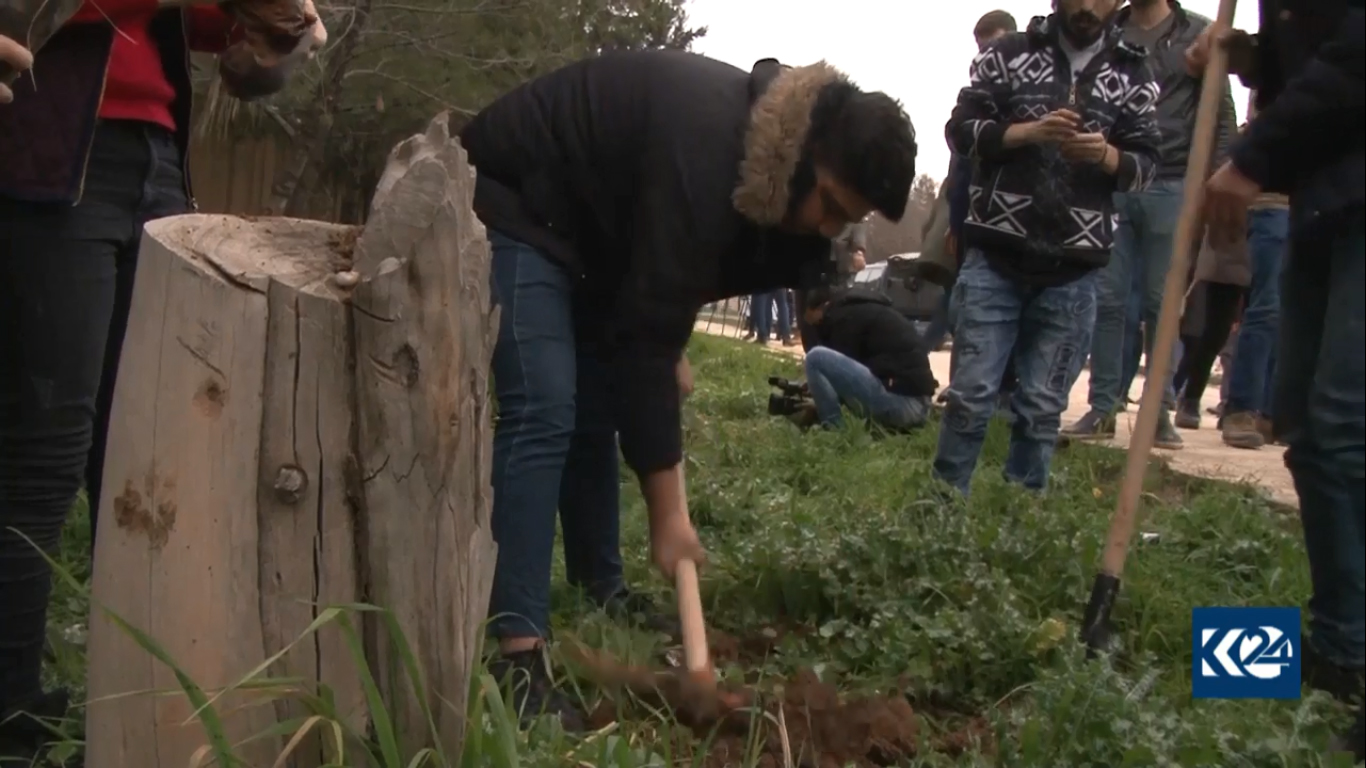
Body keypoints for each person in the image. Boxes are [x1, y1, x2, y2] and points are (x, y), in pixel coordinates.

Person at [458, 51, 917, 729]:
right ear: (806, 154)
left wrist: (663, 339)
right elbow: (649, 323)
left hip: (597, 239)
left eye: (844, 219)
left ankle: (600, 584)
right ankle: (517, 657)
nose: (827, 227)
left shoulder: (782, 194)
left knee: (597, 406)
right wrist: (669, 517)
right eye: (829, 204)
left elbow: (672, 288)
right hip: (520, 199)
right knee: (546, 406)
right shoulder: (708, 147)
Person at [0, 3, 323, 763]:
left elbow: (208, 35)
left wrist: (274, 31)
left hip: (157, 167)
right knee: (42, 456)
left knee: (143, 447)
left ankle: (140, 705)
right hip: (48, 152)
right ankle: (13, 722)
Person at [1191, 0, 1364, 758]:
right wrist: (1253, 59)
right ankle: (1337, 648)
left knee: (1339, 426)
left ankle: (1346, 652)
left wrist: (1254, 154)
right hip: (1324, 201)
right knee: (1306, 430)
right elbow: (1322, 51)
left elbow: (1356, 57)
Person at [933, 1, 1161, 496]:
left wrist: (1105, 155)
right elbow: (960, 130)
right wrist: (1025, 133)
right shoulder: (1007, 54)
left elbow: (1147, 165)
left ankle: (1020, 525)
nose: (1088, 6)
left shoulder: (1135, 73)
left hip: (1075, 269)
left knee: (1041, 408)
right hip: (995, 257)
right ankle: (941, 512)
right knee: (970, 396)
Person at [1062, 0, 1239, 450]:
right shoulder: (1109, 31)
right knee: (1107, 297)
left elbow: (1221, 114)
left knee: (1163, 303)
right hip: (1113, 176)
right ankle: (1103, 406)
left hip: (1173, 180)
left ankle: (1158, 413)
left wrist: (1217, 178)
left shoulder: (1199, 35)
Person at [796, 286, 938, 431]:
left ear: (820, 308)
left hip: (903, 405)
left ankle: (832, 427)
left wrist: (820, 402)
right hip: (920, 407)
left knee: (815, 358)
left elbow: (844, 380)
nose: (813, 328)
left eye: (812, 322)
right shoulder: (862, 309)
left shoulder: (842, 319)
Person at [1172, 230, 1249, 430]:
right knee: (1213, 336)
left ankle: (1247, 409)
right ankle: (1191, 398)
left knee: (1265, 332)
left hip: (1275, 247)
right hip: (1229, 250)